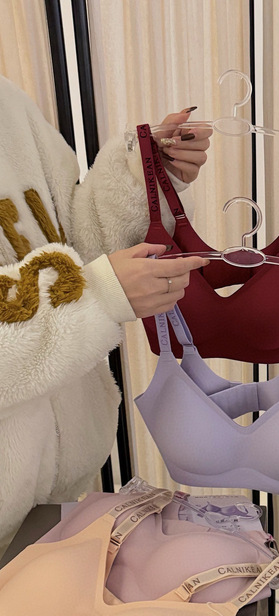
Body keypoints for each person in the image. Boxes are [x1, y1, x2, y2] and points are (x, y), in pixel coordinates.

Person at [0, 75, 211, 553]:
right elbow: (88, 276)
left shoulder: (8, 105)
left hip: (57, 496)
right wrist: (96, 294)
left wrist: (145, 175)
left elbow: (71, 236)